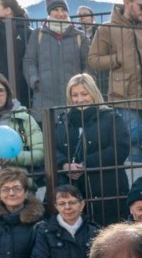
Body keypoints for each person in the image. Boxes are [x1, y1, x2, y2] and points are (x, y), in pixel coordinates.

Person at [86, 0, 142, 164]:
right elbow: (93, 60)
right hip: (123, 94)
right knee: (133, 147)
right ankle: (137, 177)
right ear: (127, 3)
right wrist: (116, 59)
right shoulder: (107, 29)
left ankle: (115, 138)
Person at [52, 73, 130, 227]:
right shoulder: (63, 120)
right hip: (73, 190)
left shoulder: (111, 117)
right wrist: (64, 165)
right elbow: (54, 149)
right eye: (75, 95)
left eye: (84, 94)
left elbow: (120, 149)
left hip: (107, 188)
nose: (79, 99)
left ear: (93, 94)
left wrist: (86, 164)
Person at [24, 0, 90, 125]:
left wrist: (85, 85)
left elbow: (88, 64)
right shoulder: (38, 34)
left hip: (74, 99)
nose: (60, 14)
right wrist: (35, 82)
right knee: (47, 141)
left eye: (63, 10)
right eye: (55, 10)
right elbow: (29, 61)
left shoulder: (80, 36)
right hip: (44, 99)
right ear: (49, 13)